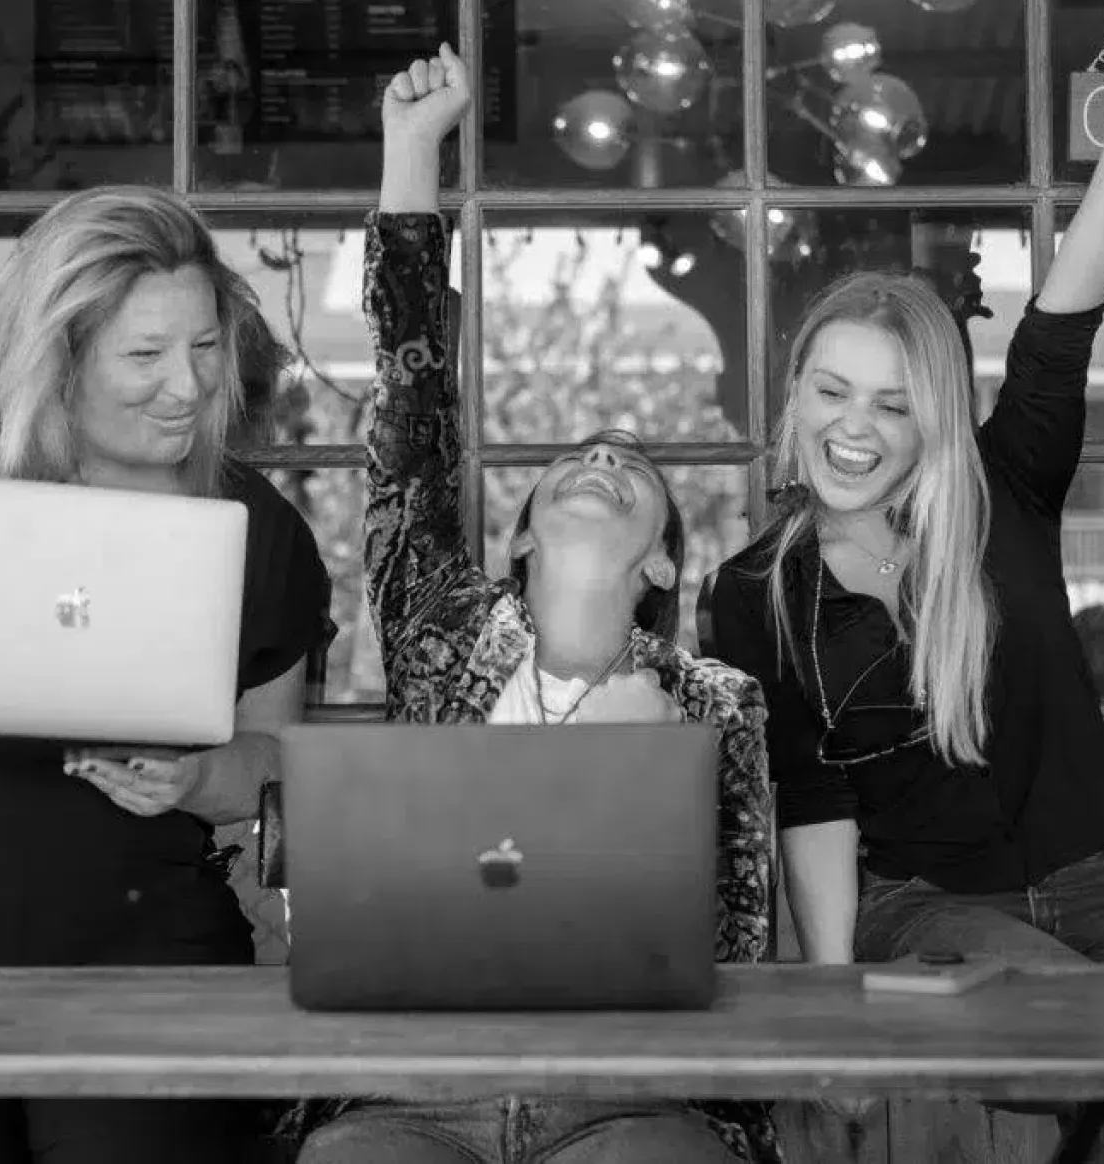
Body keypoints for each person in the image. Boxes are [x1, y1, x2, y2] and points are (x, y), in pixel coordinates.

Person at [284, 43, 775, 1164]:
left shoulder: (718, 704)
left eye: (631, 466)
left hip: (630, 1098)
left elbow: (737, 938)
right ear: (515, 533)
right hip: (419, 1091)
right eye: (576, 455)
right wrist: (410, 154)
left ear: (661, 563)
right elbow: (409, 418)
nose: (600, 456)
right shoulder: (440, 631)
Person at [698, 1, 1104, 1158]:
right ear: (796, 399)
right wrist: (830, 997)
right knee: (1088, 1034)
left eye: (894, 403)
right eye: (832, 392)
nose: (857, 428)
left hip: (1100, 876)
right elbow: (808, 797)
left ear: (931, 419)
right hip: (925, 912)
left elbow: (1059, 326)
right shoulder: (755, 593)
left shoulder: (1002, 493)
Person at [0, 185, 333, 1164]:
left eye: (203, 346)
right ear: (59, 357)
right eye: (144, 356)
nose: (186, 386)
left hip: (145, 968)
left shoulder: (259, 528)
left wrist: (194, 777)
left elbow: (284, 767)